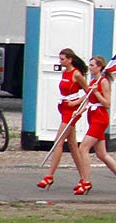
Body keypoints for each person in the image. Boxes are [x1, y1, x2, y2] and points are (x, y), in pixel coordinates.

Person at [38, 48, 93, 193]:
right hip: (63, 107)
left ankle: (49, 175)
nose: (60, 61)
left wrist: (77, 103)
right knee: (73, 145)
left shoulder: (76, 74)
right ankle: (84, 178)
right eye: (60, 59)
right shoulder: (65, 72)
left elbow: (89, 93)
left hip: (71, 111)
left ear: (70, 59)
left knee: (58, 142)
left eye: (63, 59)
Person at [81, 56, 116, 194]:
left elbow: (107, 103)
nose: (90, 68)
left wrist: (96, 92)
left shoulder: (103, 82)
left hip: (100, 118)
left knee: (83, 148)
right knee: (101, 154)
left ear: (99, 67)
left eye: (92, 65)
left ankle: (86, 181)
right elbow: (88, 100)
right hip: (93, 115)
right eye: (89, 65)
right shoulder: (92, 81)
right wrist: (79, 110)